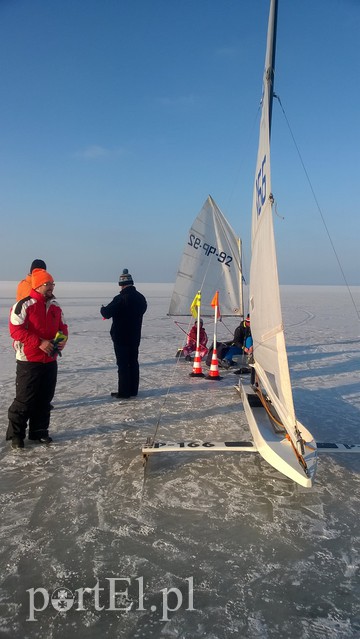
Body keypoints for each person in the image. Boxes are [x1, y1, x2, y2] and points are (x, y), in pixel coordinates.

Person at [6, 268, 68, 449]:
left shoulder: (56, 306)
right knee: (25, 399)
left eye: (52, 284)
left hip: (49, 360)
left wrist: (60, 342)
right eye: (48, 284)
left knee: (44, 398)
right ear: (39, 286)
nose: (51, 287)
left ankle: (39, 431)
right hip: (29, 360)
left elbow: (63, 328)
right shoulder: (24, 305)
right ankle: (16, 435)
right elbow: (15, 330)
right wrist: (39, 342)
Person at [100, 269, 147, 399]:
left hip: (121, 337)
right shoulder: (141, 298)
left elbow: (106, 313)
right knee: (133, 362)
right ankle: (133, 390)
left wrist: (102, 308)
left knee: (122, 365)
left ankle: (124, 392)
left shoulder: (120, 298)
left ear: (121, 284)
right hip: (134, 336)